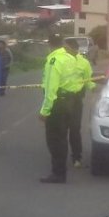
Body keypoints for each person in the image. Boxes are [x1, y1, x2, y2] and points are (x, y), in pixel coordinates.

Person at [39, 33, 80, 183]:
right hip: (70, 101)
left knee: (54, 140)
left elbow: (51, 89)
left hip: (58, 104)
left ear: (49, 45)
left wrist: (44, 111)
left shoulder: (53, 60)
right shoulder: (70, 58)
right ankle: (61, 171)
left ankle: (58, 173)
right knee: (62, 138)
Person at [66, 37, 97, 169]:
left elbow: (88, 80)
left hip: (75, 100)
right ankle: (59, 156)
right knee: (60, 130)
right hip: (60, 99)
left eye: (66, 48)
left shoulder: (84, 63)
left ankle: (77, 157)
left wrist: (94, 89)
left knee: (74, 130)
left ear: (74, 49)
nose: (64, 50)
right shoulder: (60, 61)